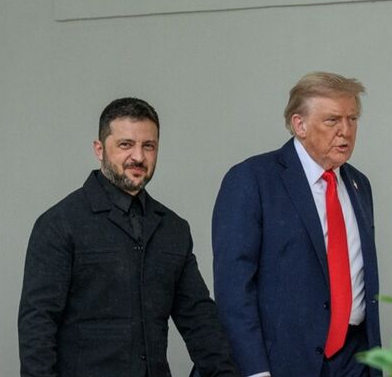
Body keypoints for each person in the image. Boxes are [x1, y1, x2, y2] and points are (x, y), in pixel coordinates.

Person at [18, 97, 237, 377]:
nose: (138, 157)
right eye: (125, 144)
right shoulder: (60, 224)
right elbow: (37, 325)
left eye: (148, 146)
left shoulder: (173, 229)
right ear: (99, 149)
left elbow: (199, 320)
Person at [212, 72, 382, 377]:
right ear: (299, 125)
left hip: (353, 359)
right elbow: (234, 289)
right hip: (282, 362)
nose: (345, 131)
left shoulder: (359, 184)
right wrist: (255, 371)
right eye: (332, 120)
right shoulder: (253, 179)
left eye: (352, 119)